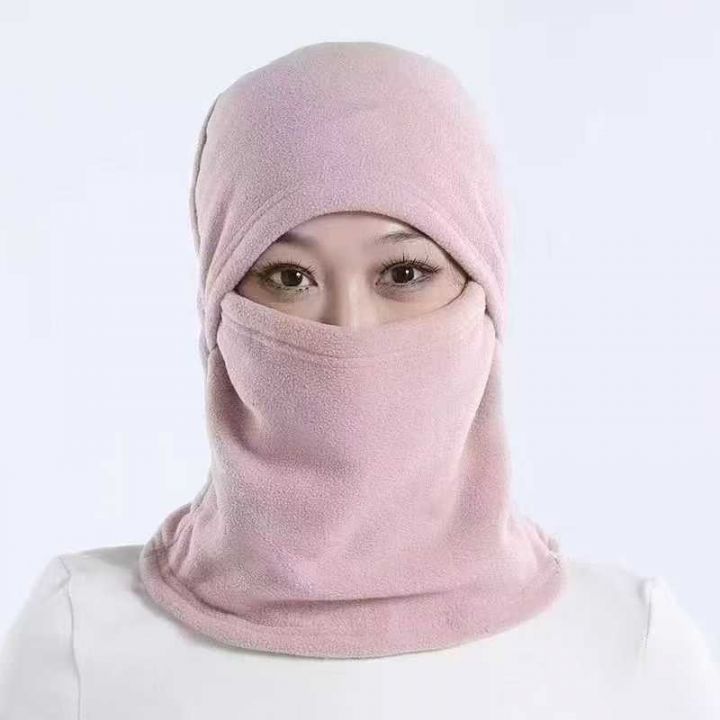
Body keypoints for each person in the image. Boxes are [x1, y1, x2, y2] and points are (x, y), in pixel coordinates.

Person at [1, 40, 719, 719]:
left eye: (403, 273)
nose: (348, 329)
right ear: (215, 303)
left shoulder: (634, 650)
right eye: (289, 277)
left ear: (489, 292)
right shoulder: (80, 642)